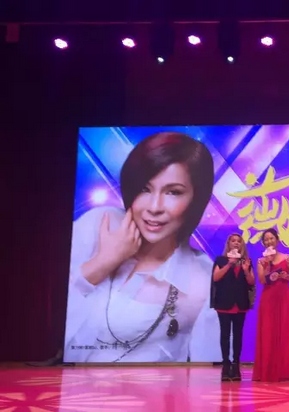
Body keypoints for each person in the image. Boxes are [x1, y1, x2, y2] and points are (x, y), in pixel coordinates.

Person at [64, 131, 221, 363]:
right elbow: (42, 324)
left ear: (196, 199)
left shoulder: (203, 281)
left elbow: (209, 373)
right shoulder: (99, 224)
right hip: (59, 382)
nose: (154, 207)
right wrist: (102, 263)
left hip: (143, 387)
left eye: (173, 192)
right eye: (144, 189)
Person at [252, 228, 289, 382]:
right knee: (268, 333)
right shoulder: (261, 261)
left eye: (271, 238)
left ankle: (287, 371)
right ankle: (268, 371)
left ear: (277, 240)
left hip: (285, 298)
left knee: (286, 333)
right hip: (268, 300)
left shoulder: (287, 258)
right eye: (266, 239)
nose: (269, 241)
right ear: (263, 243)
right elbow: (262, 280)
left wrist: (286, 276)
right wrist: (268, 264)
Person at [211, 234, 255, 381]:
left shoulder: (246, 261)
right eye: (233, 241)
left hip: (240, 303)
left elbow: (251, 282)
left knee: (238, 335)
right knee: (225, 334)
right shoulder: (221, 260)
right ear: (228, 244)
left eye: (239, 241)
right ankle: (225, 364)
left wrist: (246, 270)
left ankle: (236, 365)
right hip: (224, 303)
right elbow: (216, 278)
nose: (236, 243)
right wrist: (229, 264)